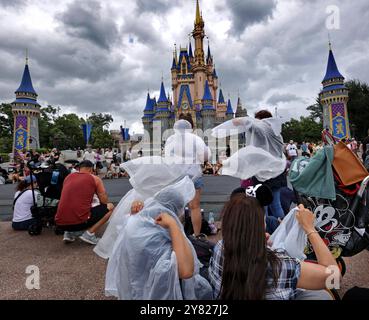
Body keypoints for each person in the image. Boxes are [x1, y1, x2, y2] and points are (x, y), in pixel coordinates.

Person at [208, 194, 339, 300]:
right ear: (261, 227)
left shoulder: (220, 248)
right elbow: (333, 278)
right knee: (322, 296)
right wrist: (309, 228)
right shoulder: (280, 266)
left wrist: (258, 243)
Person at [105, 176, 213, 300]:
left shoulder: (134, 221)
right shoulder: (165, 230)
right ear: (174, 211)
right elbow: (186, 271)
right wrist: (173, 225)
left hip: (137, 289)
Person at [165, 118, 211, 237]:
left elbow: (167, 159)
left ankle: (178, 236)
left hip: (177, 177)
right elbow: (206, 156)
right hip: (194, 176)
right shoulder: (196, 139)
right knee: (195, 207)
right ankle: (196, 236)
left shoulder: (171, 140)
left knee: (178, 207)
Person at [55, 160, 114, 245]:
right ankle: (89, 234)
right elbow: (104, 201)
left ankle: (69, 233)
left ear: (79, 169)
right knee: (110, 207)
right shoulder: (94, 178)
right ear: (90, 170)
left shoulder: (68, 177)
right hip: (79, 222)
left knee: (72, 204)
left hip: (60, 223)